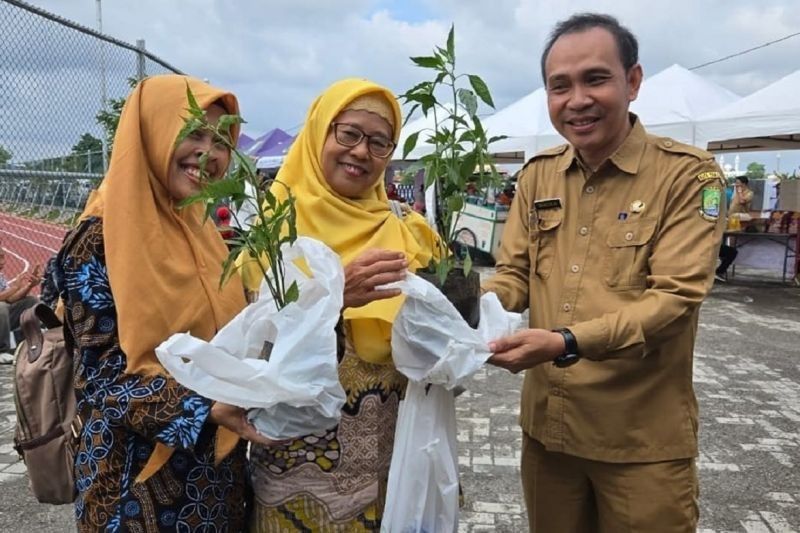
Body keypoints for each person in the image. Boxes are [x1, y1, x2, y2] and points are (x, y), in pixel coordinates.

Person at [482, 13, 726, 532]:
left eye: (596, 79)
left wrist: (563, 342)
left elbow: (675, 299)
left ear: (633, 81)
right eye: (559, 86)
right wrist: (457, 301)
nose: (577, 100)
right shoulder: (539, 174)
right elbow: (513, 276)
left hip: (640, 440)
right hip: (549, 433)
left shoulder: (688, 175)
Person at [55, 75, 274, 532]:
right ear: (152, 131)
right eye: (193, 132)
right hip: (134, 486)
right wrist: (203, 407)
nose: (209, 155)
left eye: (220, 142)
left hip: (214, 476)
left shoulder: (203, 232)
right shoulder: (98, 240)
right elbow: (100, 381)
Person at [243, 78, 440, 531]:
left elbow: (444, 331)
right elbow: (252, 339)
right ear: (319, 133)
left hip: (391, 463)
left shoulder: (408, 228)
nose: (360, 152)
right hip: (295, 472)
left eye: (379, 142)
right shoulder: (273, 228)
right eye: (348, 134)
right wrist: (332, 298)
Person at [0, 248, 41, 363]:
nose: (2, 262)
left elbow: (10, 298)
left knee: (32, 301)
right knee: (1, 307)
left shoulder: (0, 276)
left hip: (3, 318)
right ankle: (1, 350)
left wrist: (29, 286)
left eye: (3, 257)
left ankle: (27, 343)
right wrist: (14, 287)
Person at [716, 176, 753, 281]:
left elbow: (742, 202)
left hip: (741, 219)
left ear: (744, 184)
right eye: (736, 183)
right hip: (731, 219)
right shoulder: (734, 193)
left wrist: (740, 191)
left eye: (738, 183)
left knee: (732, 247)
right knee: (728, 245)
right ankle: (721, 269)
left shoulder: (749, 193)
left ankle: (722, 268)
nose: (736, 185)